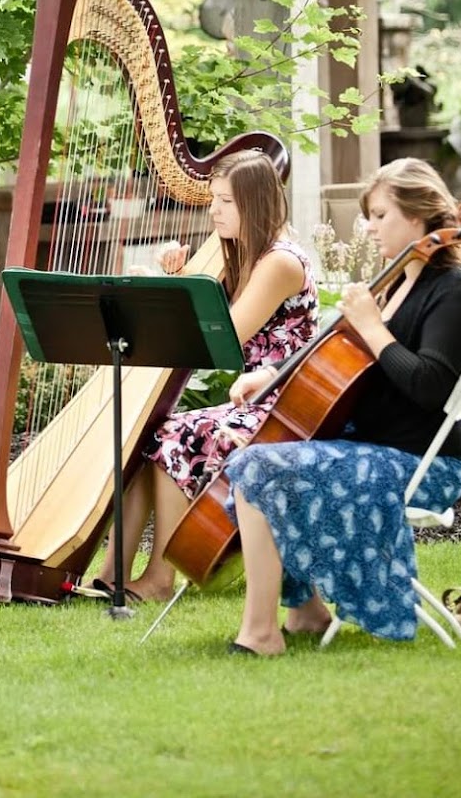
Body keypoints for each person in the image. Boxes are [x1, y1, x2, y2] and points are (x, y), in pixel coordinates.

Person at [224, 157, 461, 655]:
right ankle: (304, 611)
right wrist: (271, 375)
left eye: (381, 215)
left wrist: (371, 324)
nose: (368, 227)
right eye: (369, 215)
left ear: (420, 217)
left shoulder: (456, 293)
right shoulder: (397, 282)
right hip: (375, 445)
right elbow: (347, 365)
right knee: (251, 455)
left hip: (422, 464)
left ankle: (262, 632)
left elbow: (429, 385)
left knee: (258, 466)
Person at [92, 148, 319, 603]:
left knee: (175, 434)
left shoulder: (280, 262)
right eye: (213, 199)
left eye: (226, 202)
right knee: (146, 434)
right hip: (255, 401)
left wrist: (171, 295)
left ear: (254, 205)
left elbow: (223, 338)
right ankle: (113, 571)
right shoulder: (245, 255)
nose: (213, 210)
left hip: (286, 407)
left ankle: (159, 579)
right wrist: (175, 279)